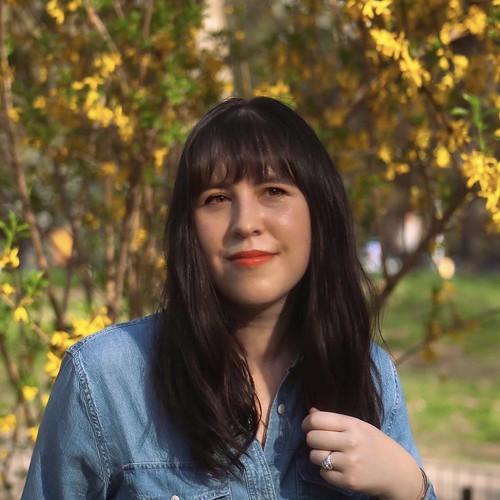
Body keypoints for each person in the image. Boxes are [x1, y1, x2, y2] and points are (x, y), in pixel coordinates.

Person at [22, 96, 436, 499]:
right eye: (216, 199)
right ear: (189, 228)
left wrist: (409, 487)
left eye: (273, 191)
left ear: (319, 210)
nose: (245, 223)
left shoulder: (368, 374)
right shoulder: (105, 378)